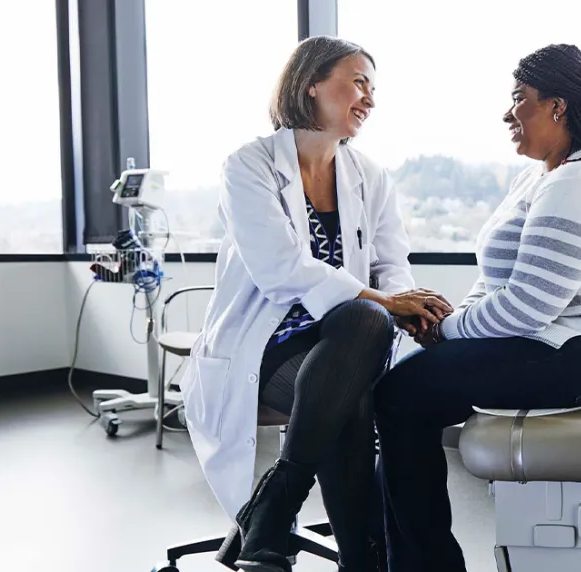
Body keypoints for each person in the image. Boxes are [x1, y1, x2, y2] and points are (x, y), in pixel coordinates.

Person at [372, 43, 581, 571]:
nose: (508, 114)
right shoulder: (540, 177)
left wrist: (447, 332)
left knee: (400, 395)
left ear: (558, 106)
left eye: (519, 100)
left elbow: (528, 306)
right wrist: (449, 324)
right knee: (403, 390)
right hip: (552, 344)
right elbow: (496, 282)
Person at [179, 36, 453, 572]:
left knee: (360, 326)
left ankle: (278, 500)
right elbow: (280, 269)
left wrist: (407, 304)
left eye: (373, 88)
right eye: (358, 82)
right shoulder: (250, 166)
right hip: (266, 341)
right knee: (350, 377)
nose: (369, 98)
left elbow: (392, 264)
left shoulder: (370, 176)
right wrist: (388, 301)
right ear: (311, 84)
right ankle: (363, 558)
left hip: (348, 337)